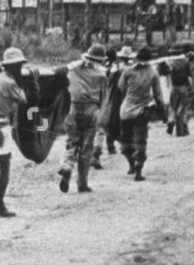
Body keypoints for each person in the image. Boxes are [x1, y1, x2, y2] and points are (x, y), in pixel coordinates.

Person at [0, 46, 30, 217]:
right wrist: (21, 82)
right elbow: (23, 99)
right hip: (1, 126)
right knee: (5, 167)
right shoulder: (10, 82)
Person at [56, 43, 109, 194]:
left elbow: (61, 72)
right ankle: (82, 183)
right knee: (86, 147)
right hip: (91, 109)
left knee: (71, 142)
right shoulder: (101, 74)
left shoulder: (74, 69)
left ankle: (66, 166)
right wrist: (102, 117)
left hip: (72, 108)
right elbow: (104, 98)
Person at [117, 46, 163, 180]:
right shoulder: (153, 73)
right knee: (140, 140)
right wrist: (162, 111)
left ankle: (131, 164)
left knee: (125, 139)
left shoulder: (127, 71)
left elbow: (121, 88)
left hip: (125, 110)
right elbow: (158, 94)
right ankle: (138, 168)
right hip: (142, 110)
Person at [167, 49, 194, 137]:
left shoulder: (170, 62)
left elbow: (167, 75)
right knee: (183, 109)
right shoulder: (186, 62)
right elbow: (191, 74)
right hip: (183, 88)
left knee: (173, 107)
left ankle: (171, 120)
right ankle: (180, 131)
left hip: (174, 87)